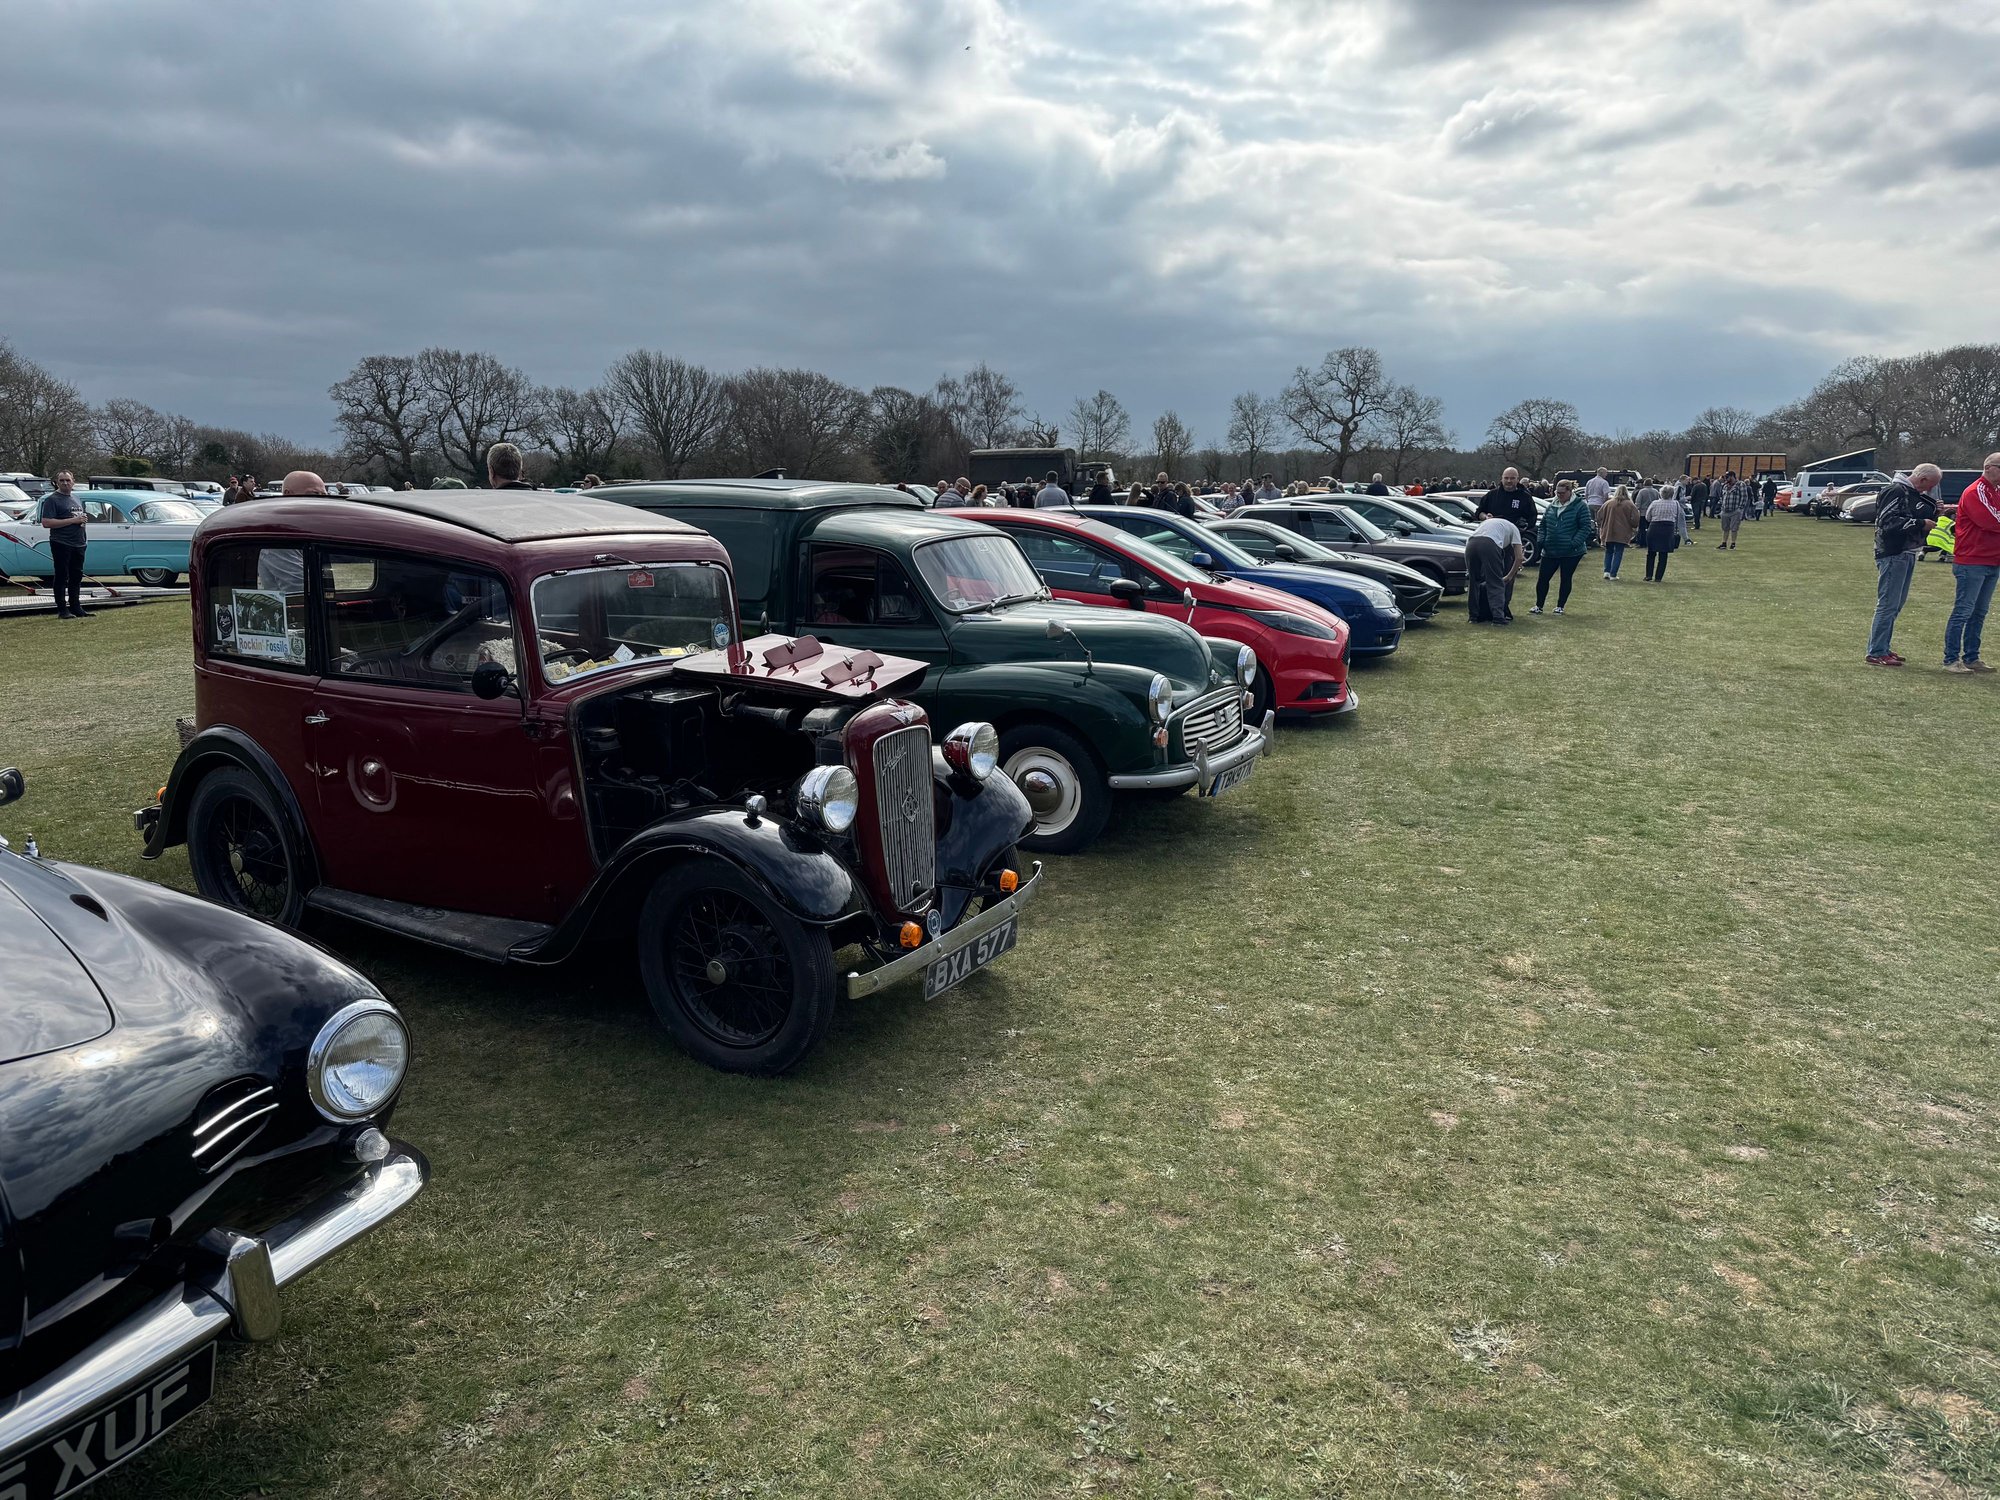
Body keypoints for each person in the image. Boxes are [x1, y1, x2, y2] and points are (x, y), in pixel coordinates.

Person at [1866, 464, 1943, 666]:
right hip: (1893, 552)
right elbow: (1887, 522)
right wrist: (1920, 523)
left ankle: (1882, 646)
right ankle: (1876, 651)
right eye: (1930, 485)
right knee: (1888, 604)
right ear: (1923, 479)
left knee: (1896, 605)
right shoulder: (1896, 491)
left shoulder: (1910, 493)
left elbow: (1909, 517)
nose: (1928, 490)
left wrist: (1932, 513)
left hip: (1906, 552)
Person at [1943, 453, 2000, 673]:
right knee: (1963, 611)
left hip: (1991, 559)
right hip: (1972, 561)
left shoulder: (1995, 491)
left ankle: (1971, 656)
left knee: (1980, 612)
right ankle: (1951, 659)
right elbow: (1991, 521)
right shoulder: (1976, 491)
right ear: (1989, 467)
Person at [1477, 467, 1537, 618]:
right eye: (1506, 478)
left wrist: (1523, 525)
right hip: (1491, 542)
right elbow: (1478, 512)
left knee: (1507, 577)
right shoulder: (1492, 495)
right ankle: (1485, 610)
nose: (1509, 481)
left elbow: (1532, 518)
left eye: (1512, 478)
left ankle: (1503, 608)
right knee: (1487, 575)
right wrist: (1486, 517)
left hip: (1511, 543)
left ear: (1517, 479)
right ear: (1501, 478)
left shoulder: (1524, 497)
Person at [1530, 479, 1594, 615]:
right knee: (1543, 578)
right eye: (1557, 492)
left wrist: (1573, 543)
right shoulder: (1552, 505)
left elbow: (1585, 528)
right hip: (1550, 549)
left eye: (1562, 493)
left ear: (1570, 492)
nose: (1559, 495)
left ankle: (1560, 606)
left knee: (1565, 578)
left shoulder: (1580, 506)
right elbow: (1543, 526)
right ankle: (1538, 605)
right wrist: (1541, 541)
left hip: (1571, 552)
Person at [39, 471, 90, 619]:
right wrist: (72, 521)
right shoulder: (52, 500)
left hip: (79, 543)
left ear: (73, 481)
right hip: (61, 542)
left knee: (76, 576)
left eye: (68, 480)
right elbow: (46, 522)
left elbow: (78, 518)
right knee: (62, 575)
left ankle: (76, 607)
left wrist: (82, 520)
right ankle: (62, 610)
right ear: (57, 482)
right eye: (62, 480)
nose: (65, 483)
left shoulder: (76, 498)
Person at [1465, 514, 1523, 625]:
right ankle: (1498, 618)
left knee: (1474, 582)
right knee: (1495, 582)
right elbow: (1519, 557)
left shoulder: (1489, 523)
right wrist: (1509, 576)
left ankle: (1473, 617)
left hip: (1471, 544)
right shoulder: (1513, 528)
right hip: (1490, 544)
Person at [1599, 482, 1641, 580]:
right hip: (1622, 532)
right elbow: (1635, 519)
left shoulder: (1608, 503)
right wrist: (1633, 526)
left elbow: (1599, 515)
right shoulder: (1630, 504)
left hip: (1608, 531)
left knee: (1608, 551)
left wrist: (1602, 525)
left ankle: (1607, 571)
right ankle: (1613, 574)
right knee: (1618, 552)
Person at [1642, 482, 1681, 581]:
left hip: (1654, 527)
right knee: (1663, 554)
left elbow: (1647, 516)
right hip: (1668, 529)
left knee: (1651, 553)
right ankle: (1658, 577)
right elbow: (1677, 516)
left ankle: (1648, 575)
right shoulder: (1675, 504)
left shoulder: (1655, 503)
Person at [1718, 473, 1751, 550]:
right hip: (1725, 510)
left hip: (1735, 510)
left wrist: (1740, 508)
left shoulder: (1740, 484)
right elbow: (1722, 497)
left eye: (1727, 477)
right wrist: (1722, 507)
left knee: (1734, 528)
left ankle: (1733, 544)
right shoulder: (1725, 486)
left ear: (1732, 477)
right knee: (1725, 528)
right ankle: (1724, 543)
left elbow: (1744, 497)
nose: (1726, 479)